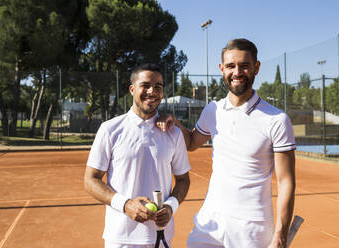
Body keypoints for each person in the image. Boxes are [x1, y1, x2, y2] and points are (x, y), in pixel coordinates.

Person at [157, 38, 296, 248]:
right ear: (222, 69)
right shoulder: (213, 110)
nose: (237, 72)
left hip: (252, 228)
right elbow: (193, 142)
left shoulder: (277, 119)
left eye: (244, 66)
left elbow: (286, 182)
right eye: (231, 66)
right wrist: (175, 123)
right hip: (209, 221)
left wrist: (281, 233)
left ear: (256, 68)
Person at [84, 63, 191, 248]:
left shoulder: (173, 133)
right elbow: (90, 180)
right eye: (146, 85)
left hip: (161, 235)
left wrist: (171, 206)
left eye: (158, 87)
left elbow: (183, 179)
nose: (152, 91)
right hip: (120, 237)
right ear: (132, 89)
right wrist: (125, 205)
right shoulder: (110, 130)